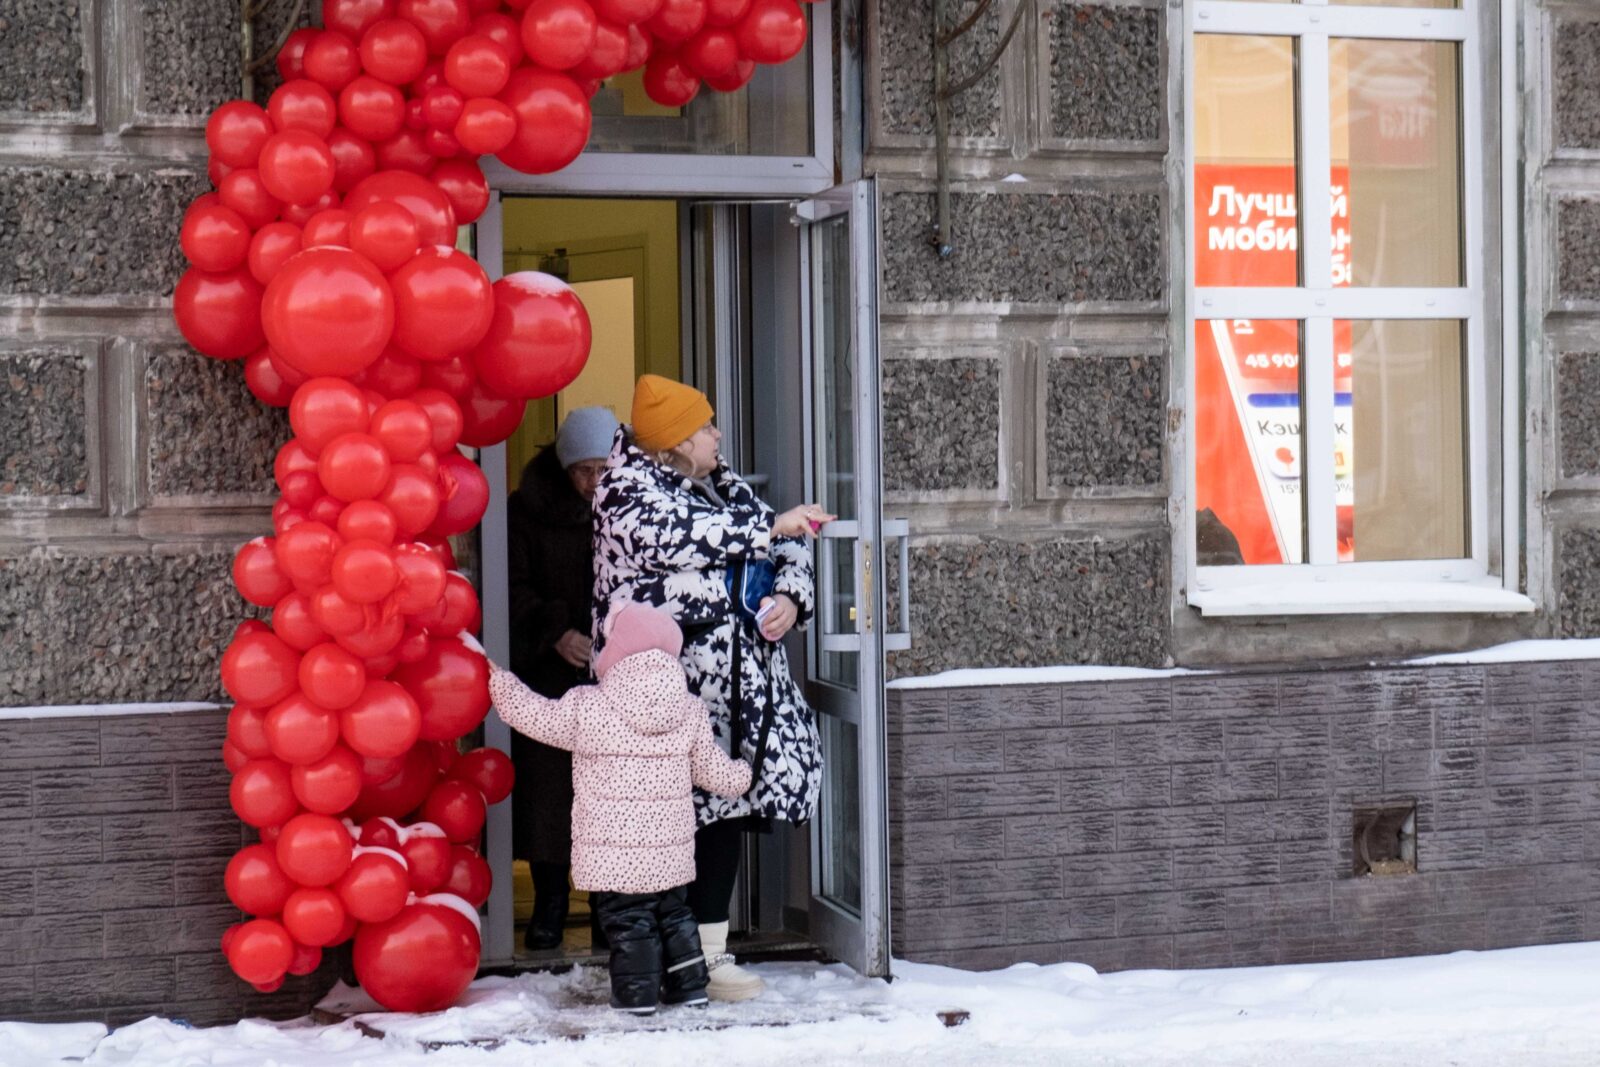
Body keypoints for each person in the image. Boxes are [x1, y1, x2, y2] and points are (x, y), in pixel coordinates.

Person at [590, 374, 833, 1002]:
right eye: (705, 427)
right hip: (664, 700)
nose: (717, 435)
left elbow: (787, 551)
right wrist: (768, 532)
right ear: (674, 441)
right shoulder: (625, 492)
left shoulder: (716, 488)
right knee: (670, 820)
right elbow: (680, 541)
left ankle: (709, 953)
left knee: (724, 811)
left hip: (734, 692)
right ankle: (667, 957)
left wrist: (788, 599)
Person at [487, 604, 753, 1015]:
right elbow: (713, 771)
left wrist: (502, 684)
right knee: (673, 913)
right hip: (669, 851)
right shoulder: (689, 709)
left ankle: (637, 997)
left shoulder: (589, 705)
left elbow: (536, 716)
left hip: (616, 855)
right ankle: (689, 987)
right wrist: (743, 775)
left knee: (630, 922)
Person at [506, 406, 618, 950]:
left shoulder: (630, 509)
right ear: (564, 465)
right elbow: (511, 587)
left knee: (608, 792)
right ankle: (550, 900)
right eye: (585, 471)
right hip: (549, 675)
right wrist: (554, 631)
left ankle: (606, 905)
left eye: (604, 470)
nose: (595, 482)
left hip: (613, 674)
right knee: (548, 794)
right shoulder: (525, 512)